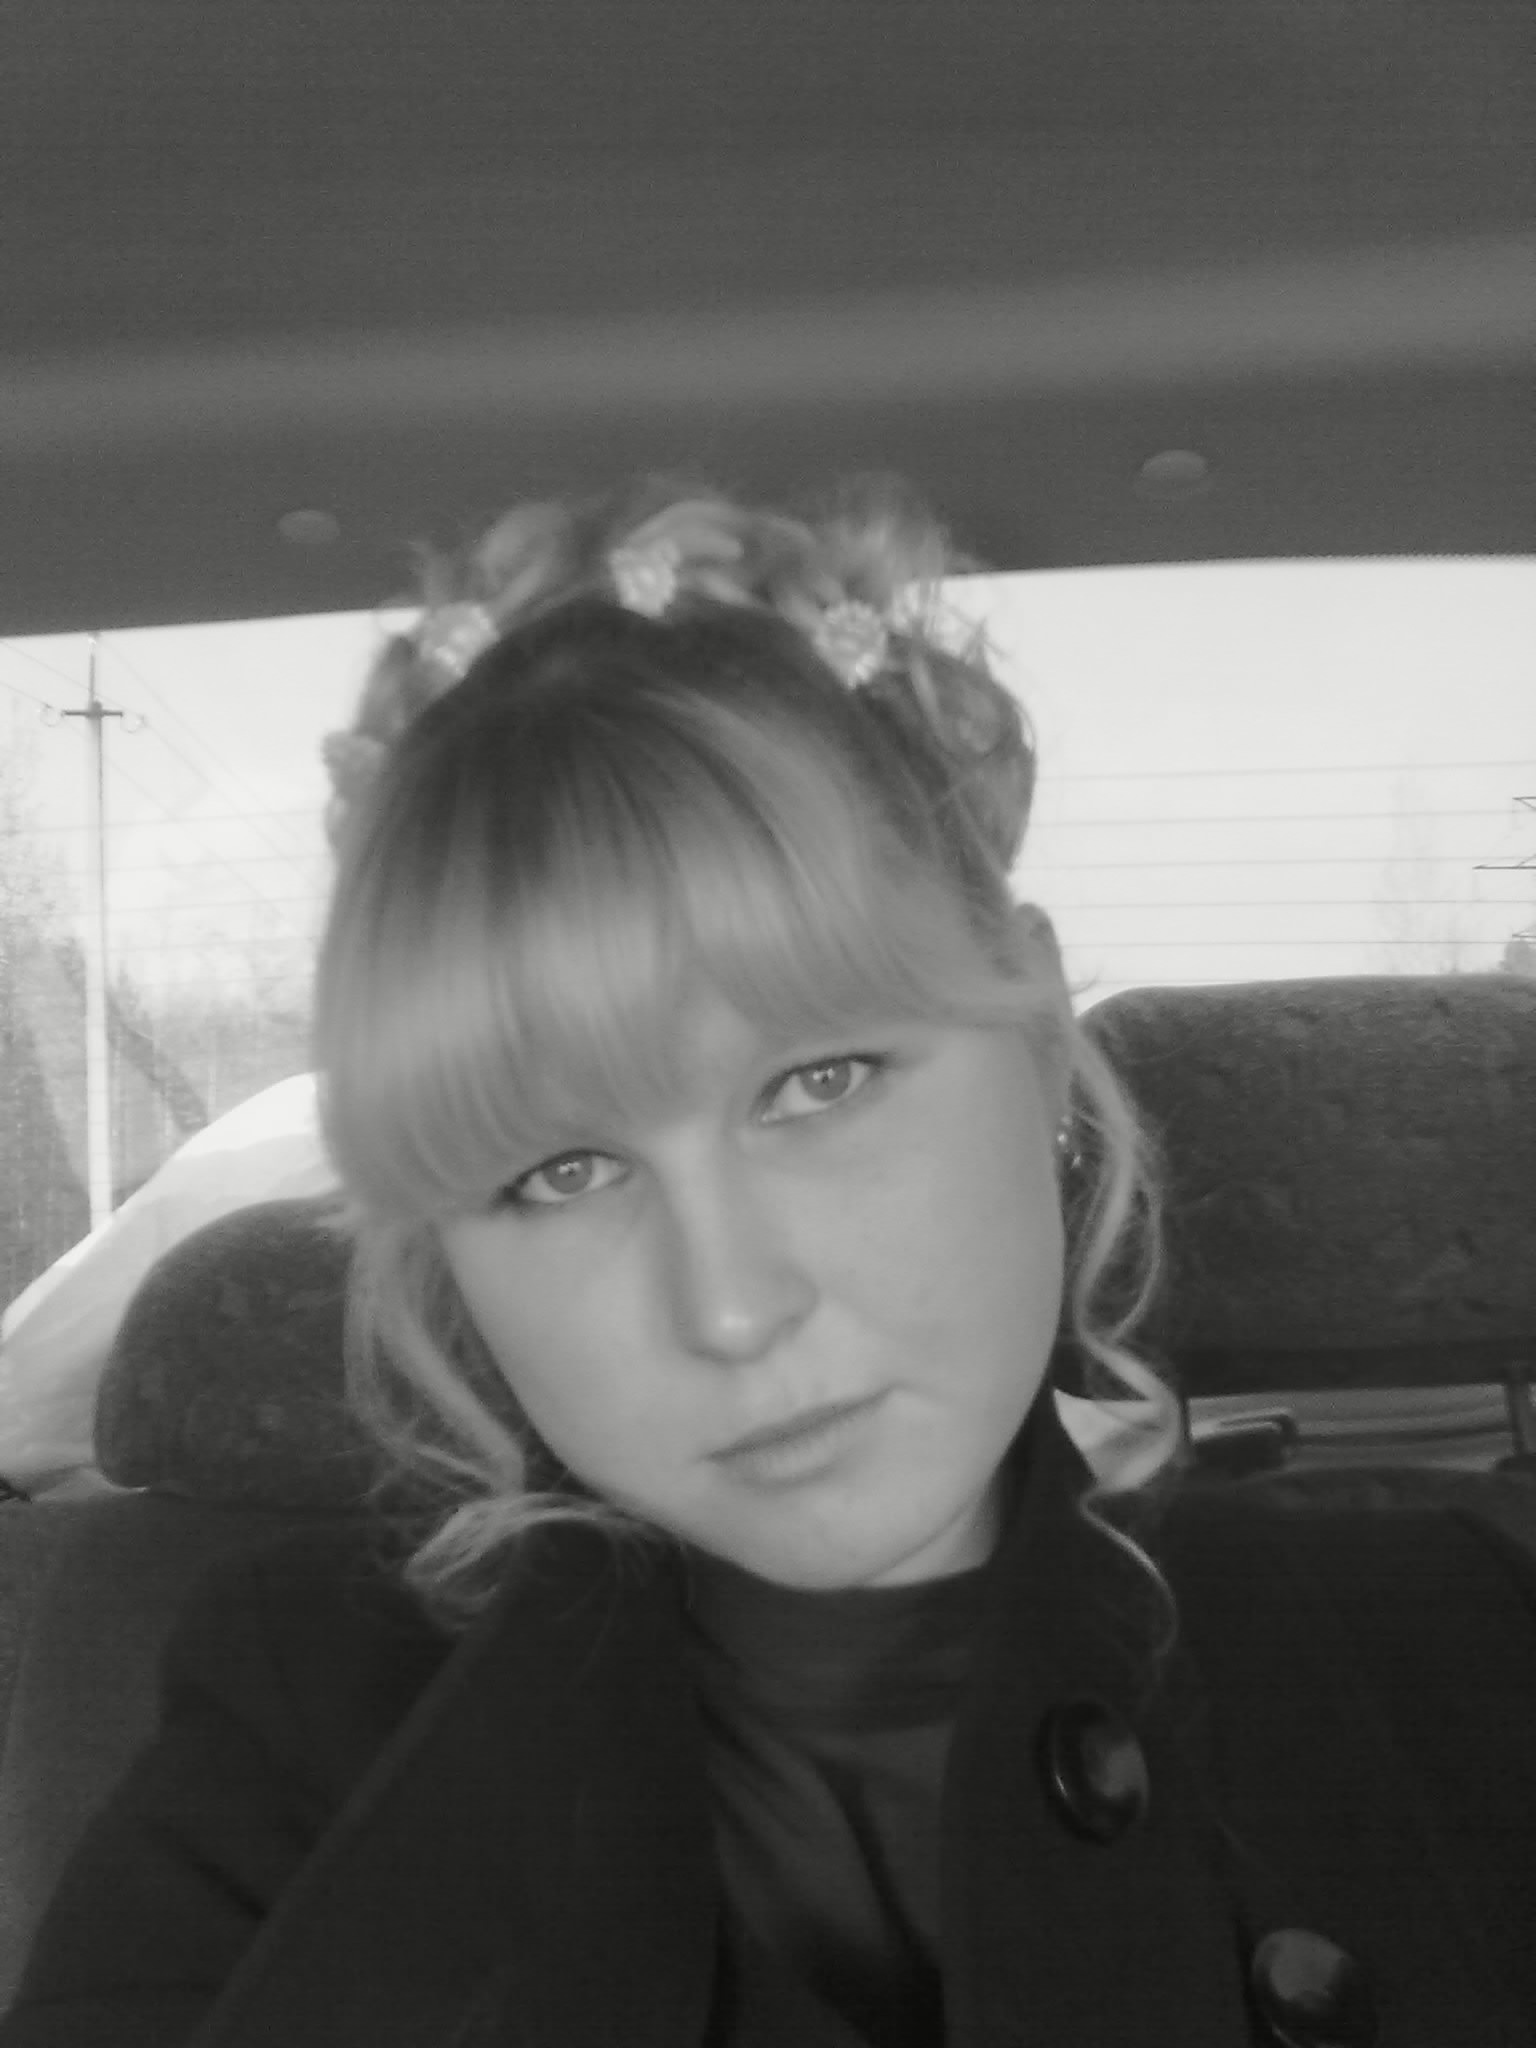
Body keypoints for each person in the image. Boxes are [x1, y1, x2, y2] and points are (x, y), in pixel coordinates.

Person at [4, 472, 1536, 2048]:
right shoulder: (290, 1733)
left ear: (1032, 1030)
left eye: (821, 1082)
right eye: (561, 1171)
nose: (731, 1307)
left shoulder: (1470, 1639)